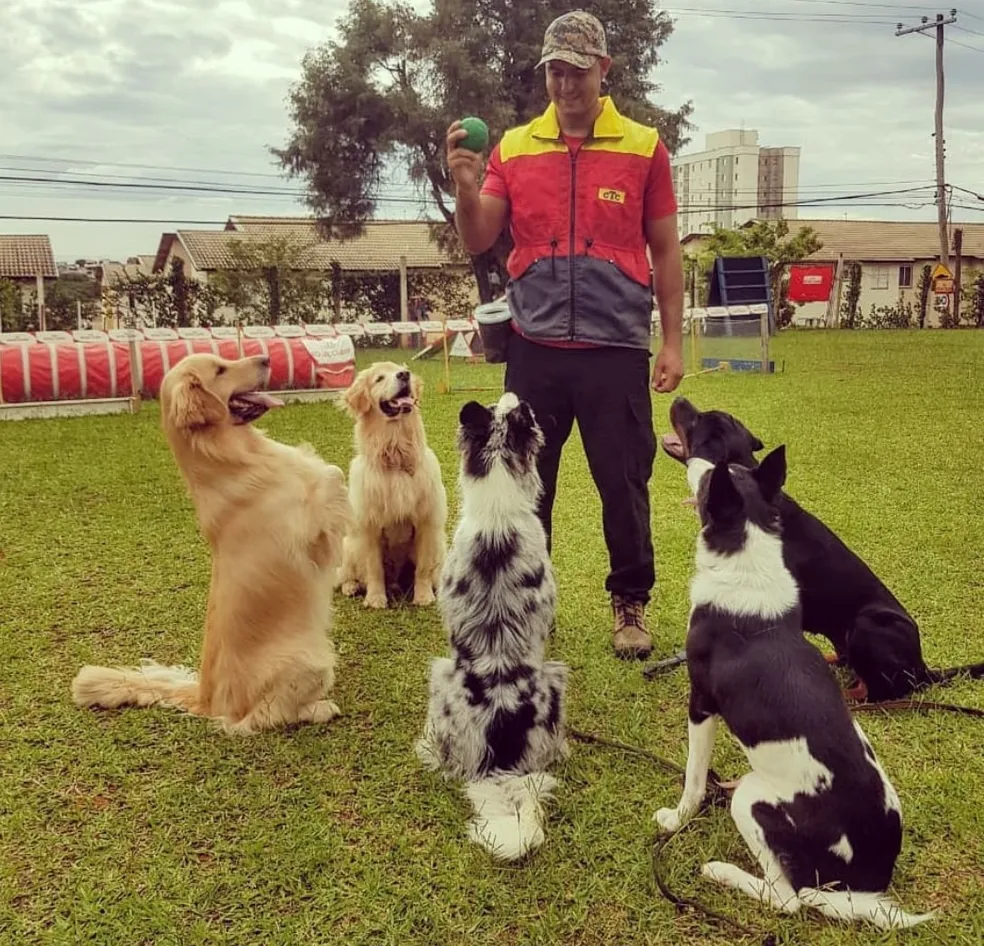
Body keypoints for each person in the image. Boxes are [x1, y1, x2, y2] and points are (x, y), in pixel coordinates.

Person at [446, 10, 685, 660]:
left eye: (577, 69)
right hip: (535, 348)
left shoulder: (642, 147)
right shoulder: (516, 148)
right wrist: (467, 187)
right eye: (555, 68)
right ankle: (530, 600)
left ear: (602, 70)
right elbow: (478, 236)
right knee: (524, 483)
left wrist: (672, 342)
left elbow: (665, 250)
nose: (565, 81)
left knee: (624, 483)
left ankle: (630, 603)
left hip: (615, 350)